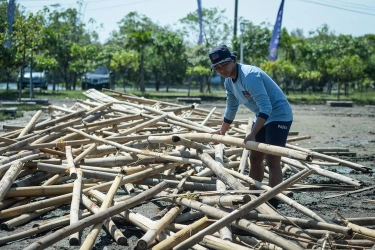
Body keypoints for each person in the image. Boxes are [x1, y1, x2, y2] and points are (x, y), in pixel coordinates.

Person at [209, 44, 293, 203]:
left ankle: (274, 200)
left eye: (225, 64)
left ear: (233, 60)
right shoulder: (228, 82)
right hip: (261, 115)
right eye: (217, 67)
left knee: (272, 159)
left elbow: (267, 107)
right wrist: (222, 131)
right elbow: (231, 107)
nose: (222, 69)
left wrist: (253, 133)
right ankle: (253, 196)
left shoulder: (250, 76)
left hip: (279, 114)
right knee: (254, 158)